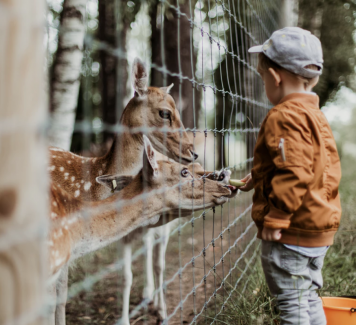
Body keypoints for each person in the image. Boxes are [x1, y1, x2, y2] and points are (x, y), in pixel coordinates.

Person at [239, 27, 342, 325]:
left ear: (275, 78)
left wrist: (277, 216)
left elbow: (295, 171)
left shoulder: (283, 116)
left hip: (291, 232)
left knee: (292, 306)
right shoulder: (315, 115)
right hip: (316, 229)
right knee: (308, 299)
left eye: (262, 78)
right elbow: (311, 166)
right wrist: (257, 178)